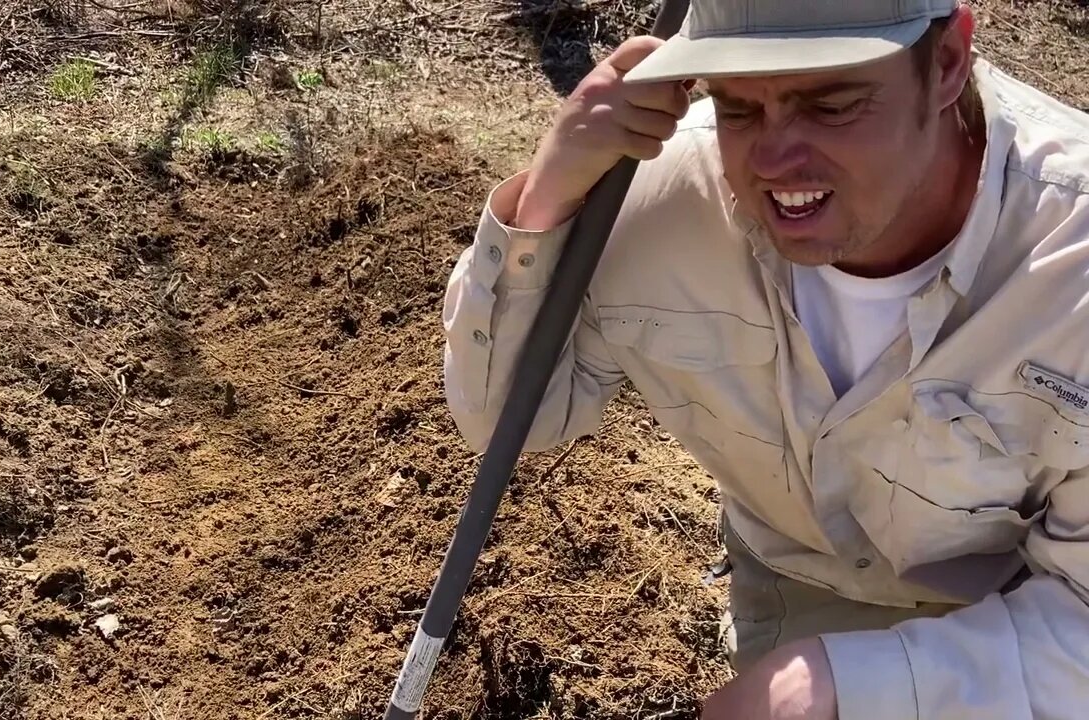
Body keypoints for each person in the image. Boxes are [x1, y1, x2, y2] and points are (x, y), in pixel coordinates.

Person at [441, 0, 1089, 717]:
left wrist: (848, 684)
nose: (776, 161)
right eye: (738, 108)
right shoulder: (656, 199)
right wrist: (548, 198)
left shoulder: (1072, 261)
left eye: (832, 103)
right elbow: (502, 421)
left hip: (1035, 613)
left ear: (945, 63)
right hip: (794, 580)